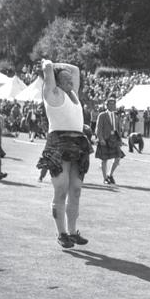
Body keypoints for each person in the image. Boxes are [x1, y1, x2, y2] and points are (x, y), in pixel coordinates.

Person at [37, 59, 93, 248]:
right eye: (66, 80)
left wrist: (60, 67)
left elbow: (75, 69)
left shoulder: (72, 93)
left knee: (76, 190)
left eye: (71, 80)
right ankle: (61, 233)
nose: (71, 82)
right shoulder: (52, 93)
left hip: (78, 142)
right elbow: (47, 69)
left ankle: (73, 232)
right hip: (59, 142)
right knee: (61, 190)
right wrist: (49, 65)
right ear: (57, 82)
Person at [95, 96, 125, 184]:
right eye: (110, 104)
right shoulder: (102, 115)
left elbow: (118, 129)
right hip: (105, 139)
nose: (112, 106)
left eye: (114, 104)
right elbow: (98, 128)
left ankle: (110, 175)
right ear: (107, 105)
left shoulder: (116, 116)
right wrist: (101, 139)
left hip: (114, 139)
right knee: (104, 159)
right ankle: (105, 179)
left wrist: (120, 139)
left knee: (118, 158)